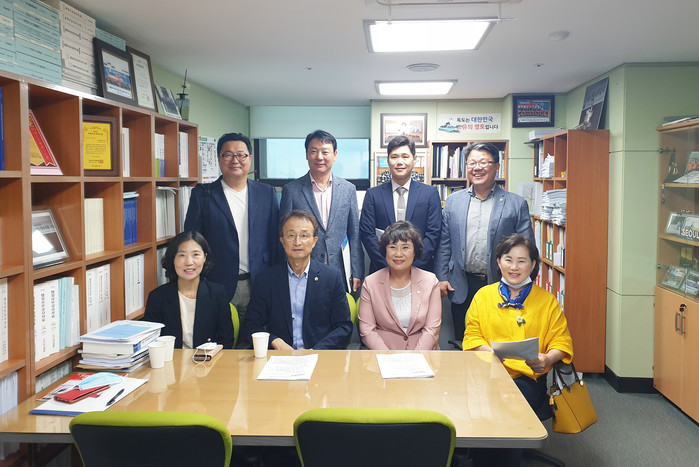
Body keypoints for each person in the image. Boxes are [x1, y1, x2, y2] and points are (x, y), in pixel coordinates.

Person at [463, 233, 573, 466]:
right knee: (486, 403)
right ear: (498, 262)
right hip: (486, 374)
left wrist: (546, 359)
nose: (514, 267)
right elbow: (472, 334)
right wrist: (487, 351)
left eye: (522, 261)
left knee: (509, 404)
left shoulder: (547, 301)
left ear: (532, 265)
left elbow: (561, 341)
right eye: (508, 259)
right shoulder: (483, 296)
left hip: (526, 379)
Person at [434, 142, 534, 341]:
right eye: (472, 163)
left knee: (498, 341)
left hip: (501, 284)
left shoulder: (516, 204)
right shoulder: (453, 201)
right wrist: (442, 277)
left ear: (497, 166)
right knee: (464, 340)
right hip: (461, 283)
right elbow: (444, 242)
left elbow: (528, 248)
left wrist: (521, 282)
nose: (477, 168)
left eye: (483, 162)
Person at [184, 132, 280, 322]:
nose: (235, 160)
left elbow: (275, 240)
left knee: (257, 335)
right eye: (227, 155)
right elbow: (191, 242)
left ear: (250, 159)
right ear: (219, 158)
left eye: (241, 155)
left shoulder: (266, 193)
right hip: (217, 283)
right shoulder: (202, 195)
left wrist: (275, 280)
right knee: (220, 337)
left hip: (259, 282)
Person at [240, 210, 353, 350]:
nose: (297, 242)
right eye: (291, 235)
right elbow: (251, 325)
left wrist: (317, 350)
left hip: (319, 356)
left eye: (304, 236)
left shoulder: (331, 278)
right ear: (282, 241)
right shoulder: (266, 280)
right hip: (279, 356)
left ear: (314, 241)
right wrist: (275, 341)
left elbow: (343, 327)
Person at [280, 130, 364, 292]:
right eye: (314, 151)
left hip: (340, 270)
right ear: (307, 155)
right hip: (302, 270)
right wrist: (286, 271)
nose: (319, 157)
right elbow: (284, 235)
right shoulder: (291, 190)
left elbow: (354, 234)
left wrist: (357, 271)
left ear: (335, 154)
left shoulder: (348, 189)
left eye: (325, 152)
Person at [360, 135, 442, 274]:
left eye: (405, 156)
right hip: (382, 271)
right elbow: (367, 234)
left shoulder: (430, 194)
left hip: (420, 271)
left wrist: (411, 267)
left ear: (414, 159)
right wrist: (390, 266)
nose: (399, 162)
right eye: (394, 157)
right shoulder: (373, 194)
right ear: (388, 160)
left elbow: (433, 234)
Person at [144, 231, 235, 349]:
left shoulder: (217, 294)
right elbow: (150, 343)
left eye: (195, 254)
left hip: (209, 359)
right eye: (182, 255)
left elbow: (226, 341)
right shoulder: (157, 297)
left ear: (204, 258)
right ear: (173, 259)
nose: (189, 262)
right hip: (170, 359)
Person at [359, 221, 442, 350]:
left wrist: (416, 357)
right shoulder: (371, 283)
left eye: (405, 247)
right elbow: (367, 330)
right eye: (392, 247)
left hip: (423, 354)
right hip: (383, 353)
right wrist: (388, 357)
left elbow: (431, 330)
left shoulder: (430, 282)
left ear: (415, 252)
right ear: (385, 251)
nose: (398, 254)